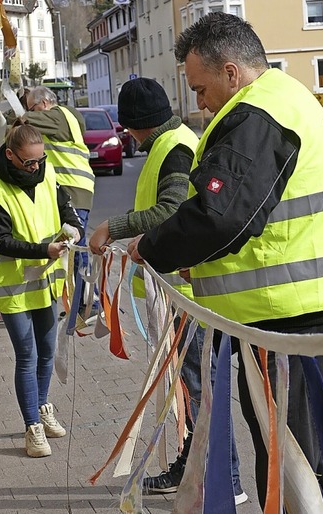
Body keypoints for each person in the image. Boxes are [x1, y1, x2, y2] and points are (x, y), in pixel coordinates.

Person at [127, 12, 323, 509]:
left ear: (232, 72)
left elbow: (222, 216)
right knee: (304, 462)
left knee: (292, 470)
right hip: (301, 310)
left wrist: (150, 247)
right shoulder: (290, 99)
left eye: (201, 88)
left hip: (289, 320)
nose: (199, 102)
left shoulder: (257, 114)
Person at [88, 78, 247, 504]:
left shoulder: (174, 147)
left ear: (139, 124)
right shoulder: (169, 143)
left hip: (185, 295)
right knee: (190, 388)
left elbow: (172, 211)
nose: (127, 136)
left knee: (198, 388)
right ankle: (194, 467)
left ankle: (224, 480)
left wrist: (114, 226)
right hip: (173, 291)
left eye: (128, 128)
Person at [0, 121, 84, 457]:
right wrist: (45, 251)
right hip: (14, 287)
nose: (36, 167)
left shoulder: (46, 174)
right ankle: (31, 427)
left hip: (46, 281)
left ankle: (41, 407)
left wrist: (74, 228)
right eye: (28, 162)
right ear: (10, 155)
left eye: (40, 160)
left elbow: (65, 207)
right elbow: (1, 241)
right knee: (27, 356)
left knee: (47, 352)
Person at [22, 86, 95, 309]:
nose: (32, 113)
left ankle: (86, 302)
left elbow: (25, 119)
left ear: (43, 104)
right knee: (72, 245)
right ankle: (85, 298)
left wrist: (19, 115)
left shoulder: (57, 116)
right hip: (73, 189)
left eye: (33, 107)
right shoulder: (66, 117)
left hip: (73, 189)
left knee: (75, 247)